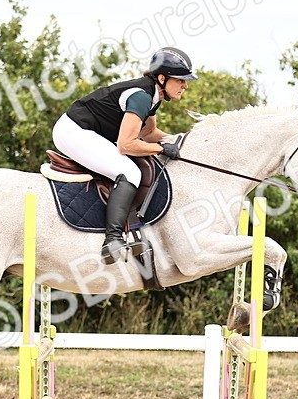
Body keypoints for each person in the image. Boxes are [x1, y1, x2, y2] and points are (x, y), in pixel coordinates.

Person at [52, 47, 197, 263]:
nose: (185, 85)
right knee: (129, 171)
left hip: (84, 131)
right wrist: (161, 149)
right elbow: (126, 144)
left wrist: (181, 141)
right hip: (73, 132)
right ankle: (113, 239)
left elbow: (148, 133)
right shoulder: (141, 96)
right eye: (180, 80)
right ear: (161, 78)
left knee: (130, 167)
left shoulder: (152, 95)